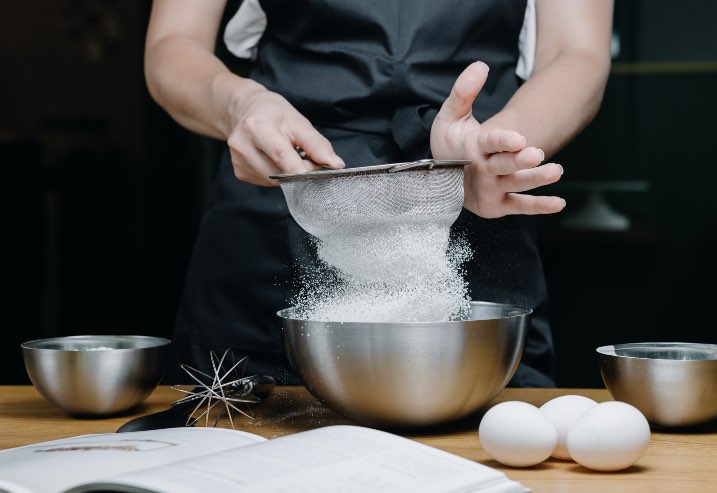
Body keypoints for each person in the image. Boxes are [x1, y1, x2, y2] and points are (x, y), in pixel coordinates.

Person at [145, 0, 613, 386]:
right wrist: (237, 105)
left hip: (466, 193)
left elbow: (577, 51)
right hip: (280, 193)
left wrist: (501, 143)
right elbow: (172, 44)